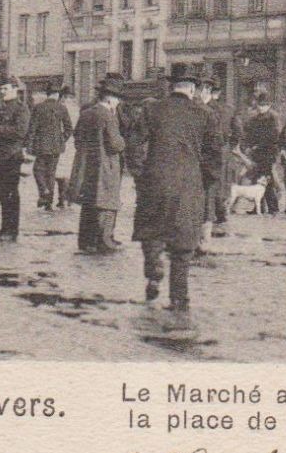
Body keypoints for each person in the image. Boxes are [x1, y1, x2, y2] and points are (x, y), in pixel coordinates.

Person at [132, 74, 221, 315]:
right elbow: (214, 155)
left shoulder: (152, 109)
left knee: (151, 230)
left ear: (172, 87)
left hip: (155, 181)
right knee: (183, 242)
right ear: (193, 88)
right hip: (188, 184)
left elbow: (135, 144)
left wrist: (141, 174)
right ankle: (179, 296)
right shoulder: (205, 114)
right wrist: (204, 181)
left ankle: (153, 273)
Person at [71, 77, 127, 252]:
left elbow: (77, 138)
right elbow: (115, 144)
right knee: (106, 202)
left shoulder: (86, 113)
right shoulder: (108, 116)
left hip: (87, 166)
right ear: (110, 98)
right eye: (117, 99)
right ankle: (104, 241)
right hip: (106, 166)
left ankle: (86, 241)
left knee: (88, 202)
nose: (118, 103)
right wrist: (124, 142)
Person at [0, 80, 30, 242]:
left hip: (11, 157)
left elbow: (21, 132)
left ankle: (12, 230)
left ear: (15, 89)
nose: (2, 91)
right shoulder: (2, 108)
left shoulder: (21, 108)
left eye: (5, 88)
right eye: (1, 88)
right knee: (3, 195)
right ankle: (5, 228)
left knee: (11, 195)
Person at [198, 79, 240, 238]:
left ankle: (210, 219)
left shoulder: (210, 109)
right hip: (220, 152)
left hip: (211, 153)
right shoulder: (228, 109)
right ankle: (219, 217)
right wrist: (230, 146)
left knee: (211, 185)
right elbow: (238, 131)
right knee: (219, 185)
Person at [26, 87, 71, 212]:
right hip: (56, 147)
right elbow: (69, 128)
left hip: (41, 145)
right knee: (51, 173)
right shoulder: (62, 107)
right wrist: (62, 139)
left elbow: (32, 128)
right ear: (57, 95)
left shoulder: (38, 107)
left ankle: (43, 190)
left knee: (37, 170)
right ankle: (49, 203)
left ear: (47, 94)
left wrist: (29, 145)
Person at [242, 92, 281, 215]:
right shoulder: (254, 119)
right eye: (259, 104)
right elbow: (249, 134)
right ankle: (259, 207)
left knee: (267, 181)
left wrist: (258, 145)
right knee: (256, 179)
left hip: (268, 153)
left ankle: (273, 207)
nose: (261, 107)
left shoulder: (273, 118)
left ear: (269, 105)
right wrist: (248, 146)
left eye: (264, 105)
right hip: (256, 153)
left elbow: (274, 136)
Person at [54, 86, 80, 207]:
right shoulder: (77, 109)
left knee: (60, 171)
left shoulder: (60, 109)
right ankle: (69, 198)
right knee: (69, 171)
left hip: (62, 142)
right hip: (72, 143)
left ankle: (62, 198)